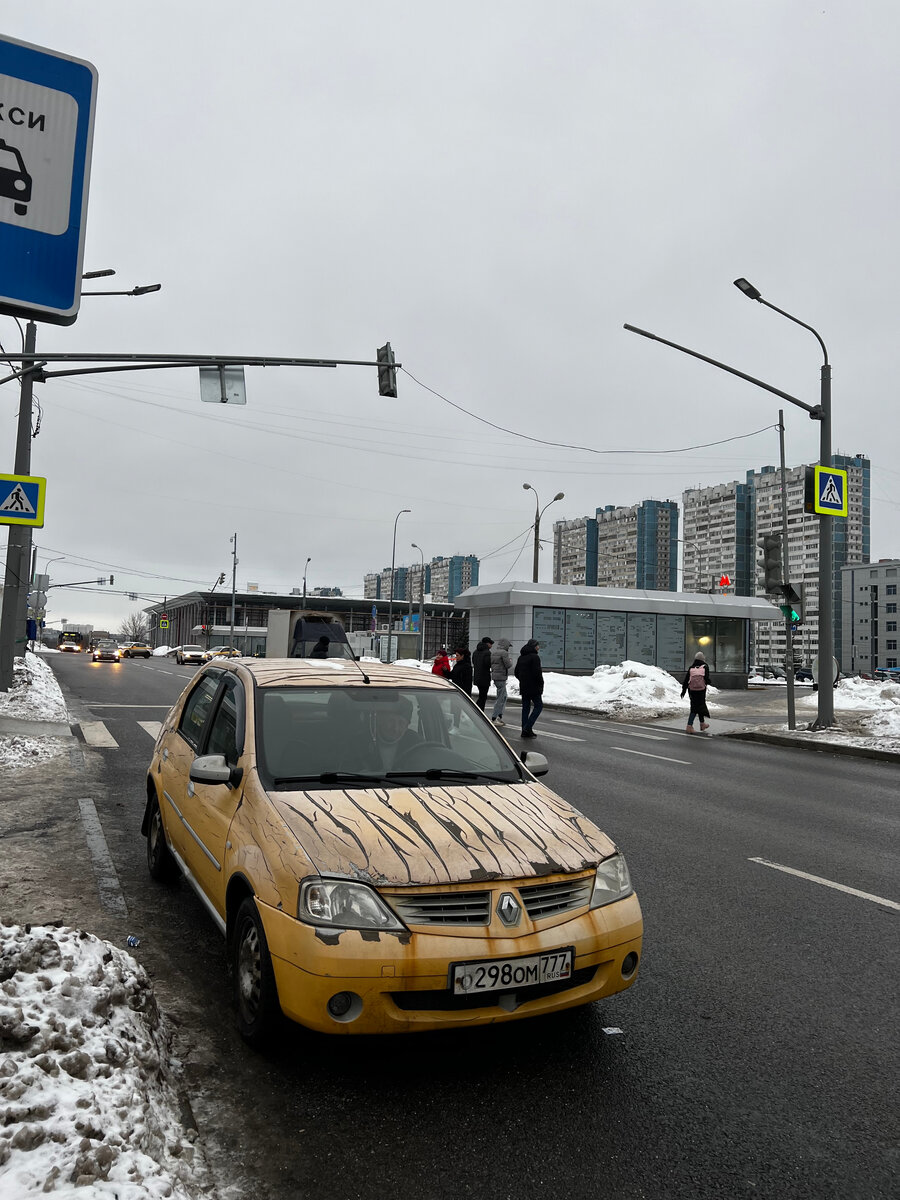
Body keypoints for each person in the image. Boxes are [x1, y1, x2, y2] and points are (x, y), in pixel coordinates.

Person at [514, 639, 544, 738]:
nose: (538, 647)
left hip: (524, 686)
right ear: (534, 646)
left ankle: (524, 730)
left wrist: (523, 680)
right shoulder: (535, 657)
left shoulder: (521, 657)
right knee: (538, 706)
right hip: (534, 686)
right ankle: (528, 727)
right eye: (537, 645)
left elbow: (516, 672)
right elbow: (537, 673)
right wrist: (541, 683)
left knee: (525, 708)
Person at [681, 651, 710, 733]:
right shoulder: (705, 667)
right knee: (698, 707)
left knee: (696, 706)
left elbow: (686, 680)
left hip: (692, 691)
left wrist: (684, 690)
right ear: (703, 659)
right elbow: (707, 679)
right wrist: (709, 682)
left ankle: (702, 724)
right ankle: (689, 726)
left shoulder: (691, 667)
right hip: (701, 690)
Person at [490, 638, 513, 725]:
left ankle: (499, 716)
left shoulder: (494, 652)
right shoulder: (504, 653)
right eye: (508, 646)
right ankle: (495, 717)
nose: (509, 648)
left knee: (503, 696)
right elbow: (508, 665)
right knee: (501, 697)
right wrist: (510, 661)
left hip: (495, 676)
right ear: (506, 645)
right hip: (501, 677)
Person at [471, 637, 494, 711]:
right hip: (484, 677)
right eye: (491, 643)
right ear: (487, 644)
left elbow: (474, 662)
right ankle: (478, 711)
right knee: (483, 697)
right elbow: (488, 664)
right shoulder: (487, 653)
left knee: (481, 695)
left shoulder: (475, 652)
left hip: (477, 676)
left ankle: (477, 710)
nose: (491, 645)